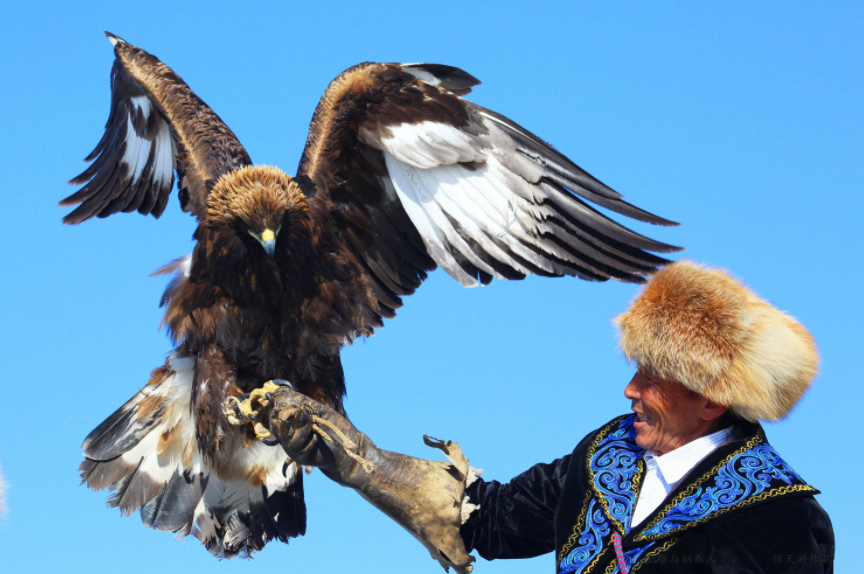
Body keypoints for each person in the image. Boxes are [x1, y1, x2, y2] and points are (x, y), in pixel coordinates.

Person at [233, 261, 834, 573]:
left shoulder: (780, 518)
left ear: (711, 398)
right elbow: (487, 521)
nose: (630, 389)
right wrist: (358, 460)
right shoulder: (607, 454)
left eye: (652, 377)